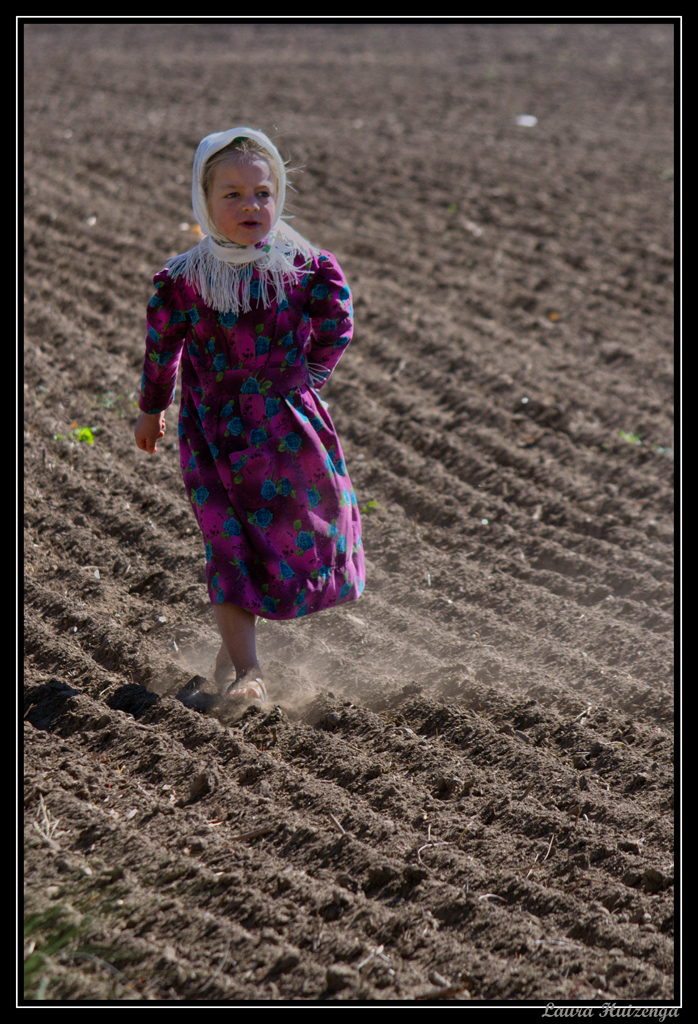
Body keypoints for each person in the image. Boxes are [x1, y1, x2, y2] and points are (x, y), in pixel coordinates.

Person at [134, 127, 365, 706]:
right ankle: (248, 673)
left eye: (262, 193)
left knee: (299, 536)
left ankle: (237, 649)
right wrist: (151, 409)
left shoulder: (304, 266)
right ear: (204, 201)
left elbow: (337, 324)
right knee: (227, 545)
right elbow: (163, 351)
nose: (250, 206)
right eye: (231, 194)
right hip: (213, 432)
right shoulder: (184, 280)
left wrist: (306, 379)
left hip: (287, 429)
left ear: (279, 196)